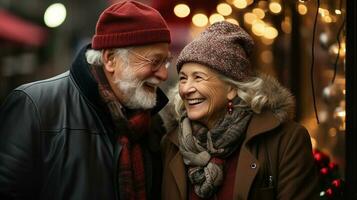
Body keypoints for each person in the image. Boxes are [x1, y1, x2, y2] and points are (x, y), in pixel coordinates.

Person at [0, 1, 171, 199]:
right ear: (110, 59)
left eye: (166, 62)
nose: (164, 74)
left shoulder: (154, 123)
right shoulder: (36, 106)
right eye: (155, 61)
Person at [160, 21, 319, 200]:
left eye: (198, 77)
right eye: (183, 78)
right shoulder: (172, 143)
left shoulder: (286, 140)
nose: (186, 89)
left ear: (231, 88)